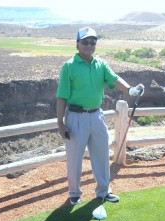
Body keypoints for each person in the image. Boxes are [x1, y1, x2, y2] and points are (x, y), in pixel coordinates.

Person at [56, 27, 144, 205]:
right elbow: (61, 96)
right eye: (85, 42)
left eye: (93, 42)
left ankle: (104, 191)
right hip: (75, 117)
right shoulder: (69, 66)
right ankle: (74, 193)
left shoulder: (100, 64)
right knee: (74, 157)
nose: (89, 45)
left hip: (97, 115)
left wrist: (130, 90)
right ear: (77, 44)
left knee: (102, 155)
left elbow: (114, 79)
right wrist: (60, 123)